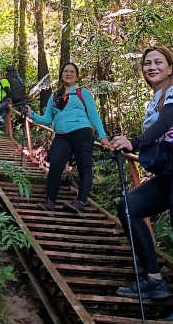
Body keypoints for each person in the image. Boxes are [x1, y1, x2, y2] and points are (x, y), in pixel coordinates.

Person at [108, 46, 173, 323]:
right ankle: (154, 279)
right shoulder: (154, 99)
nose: (151, 66)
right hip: (172, 168)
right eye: (147, 63)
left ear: (170, 68)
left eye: (158, 62)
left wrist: (135, 142)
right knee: (130, 206)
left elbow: (167, 121)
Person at [25, 62, 111, 213]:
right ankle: (50, 202)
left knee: (84, 168)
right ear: (61, 75)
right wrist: (31, 114)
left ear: (77, 76)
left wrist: (103, 136)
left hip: (81, 132)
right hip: (62, 136)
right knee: (56, 165)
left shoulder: (82, 93)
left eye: (72, 71)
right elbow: (47, 119)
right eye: (65, 71)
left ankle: (80, 202)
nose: (69, 73)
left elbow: (94, 116)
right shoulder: (54, 96)